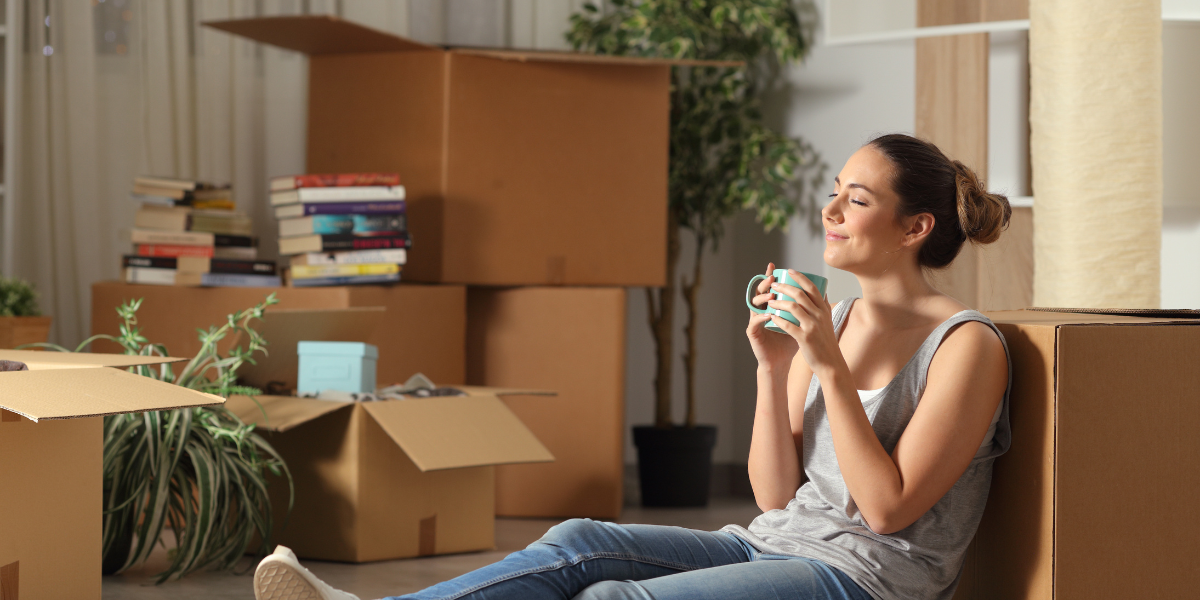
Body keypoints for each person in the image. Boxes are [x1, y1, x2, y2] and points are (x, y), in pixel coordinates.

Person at [251, 133, 1013, 600]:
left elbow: (884, 512)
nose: (831, 211)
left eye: (857, 199)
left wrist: (827, 368)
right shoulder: (836, 322)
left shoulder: (966, 346)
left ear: (915, 226)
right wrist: (772, 367)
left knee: (614, 598)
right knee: (579, 541)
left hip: (867, 582)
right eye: (834, 195)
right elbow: (777, 495)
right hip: (777, 542)